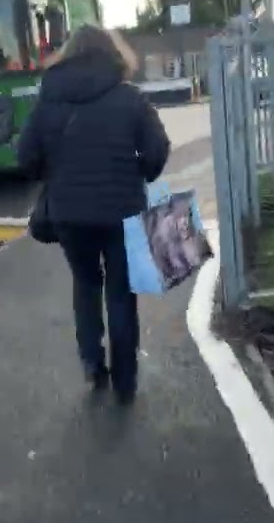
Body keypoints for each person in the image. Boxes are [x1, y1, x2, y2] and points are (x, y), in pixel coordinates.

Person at [16, 26, 171, 404]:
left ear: (68, 54)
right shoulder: (129, 99)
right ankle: (125, 381)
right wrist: (140, 172)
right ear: (112, 54)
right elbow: (157, 150)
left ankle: (91, 363)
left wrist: (55, 176)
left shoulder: (49, 99)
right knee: (120, 292)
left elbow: (25, 157)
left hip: (69, 214)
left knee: (86, 284)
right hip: (122, 211)